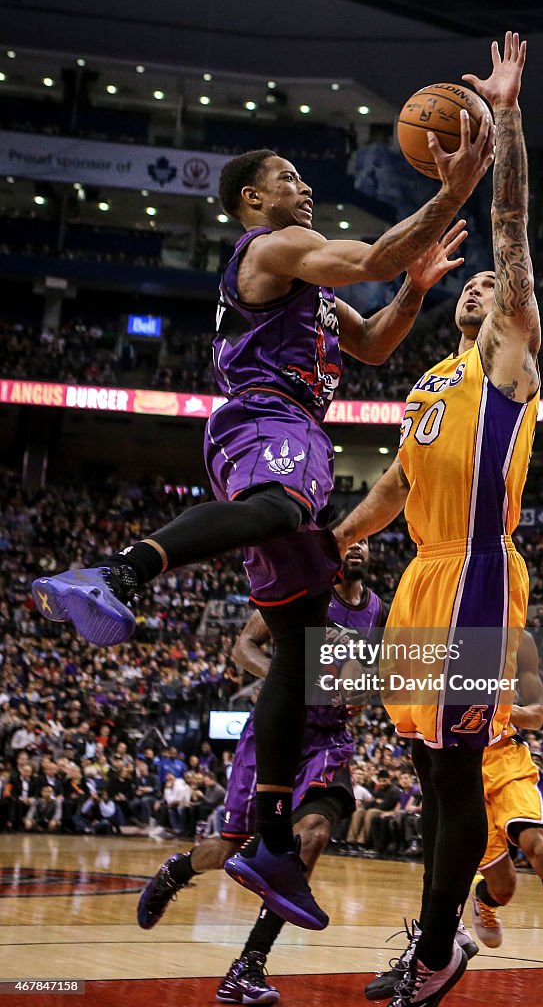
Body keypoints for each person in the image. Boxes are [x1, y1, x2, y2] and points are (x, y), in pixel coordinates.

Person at [32, 123, 495, 931]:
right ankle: (119, 571)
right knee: (282, 509)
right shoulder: (276, 247)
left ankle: (273, 841)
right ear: (253, 199)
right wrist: (454, 191)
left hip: (276, 427)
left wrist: (413, 291)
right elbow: (369, 258)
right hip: (266, 419)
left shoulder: (307, 286)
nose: (301, 186)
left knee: (300, 644)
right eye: (286, 176)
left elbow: (377, 343)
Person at [336, 32, 539, 1007]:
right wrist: (329, 540)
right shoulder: (425, 379)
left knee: (458, 775)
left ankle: (437, 949)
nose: (482, 284)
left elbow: (513, 230)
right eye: (475, 282)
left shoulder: (511, 359)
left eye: (492, 285)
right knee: (429, 775)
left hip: (476, 578)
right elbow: (389, 491)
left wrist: (504, 121)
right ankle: (440, 929)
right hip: (419, 578)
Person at [137, 542, 394, 1004]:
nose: (359, 545)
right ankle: (177, 870)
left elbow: (377, 674)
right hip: (276, 732)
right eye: (352, 537)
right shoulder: (305, 591)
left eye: (367, 541)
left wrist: (365, 689)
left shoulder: (378, 611)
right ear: (333, 549)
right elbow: (243, 646)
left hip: (328, 740)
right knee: (230, 846)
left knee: (311, 835)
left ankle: (249, 964)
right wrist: (287, 674)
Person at [365, 634, 543, 1007]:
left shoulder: (520, 640)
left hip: (506, 759)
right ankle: (482, 899)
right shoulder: (438, 637)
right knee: (503, 887)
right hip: (460, 767)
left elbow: (536, 714)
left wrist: (491, 709)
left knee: (539, 847)